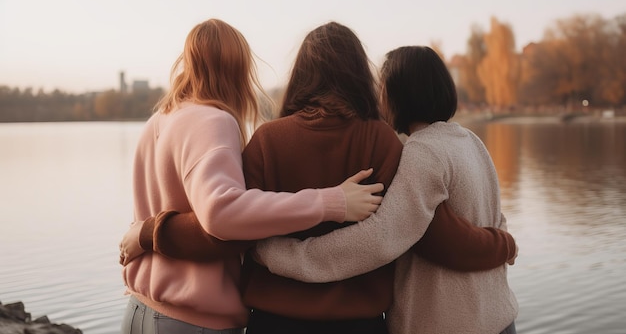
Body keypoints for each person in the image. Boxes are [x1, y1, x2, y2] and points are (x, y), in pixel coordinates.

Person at [121, 24, 517, 334]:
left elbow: (234, 233)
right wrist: (501, 242)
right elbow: (422, 231)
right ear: (359, 73)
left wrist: (148, 233)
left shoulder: (266, 140)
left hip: (275, 321)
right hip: (359, 324)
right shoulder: (383, 140)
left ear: (302, 74)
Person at [120, 18, 387, 334]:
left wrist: (145, 233)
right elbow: (223, 217)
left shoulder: (158, 122)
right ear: (238, 68)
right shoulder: (213, 121)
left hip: (139, 310)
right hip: (191, 320)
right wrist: (330, 201)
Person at [254, 45, 519, 334]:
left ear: (400, 93)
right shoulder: (471, 142)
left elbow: (382, 238)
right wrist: (506, 244)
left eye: (384, 87)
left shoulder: (423, 152)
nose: (378, 96)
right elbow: (496, 219)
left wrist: (282, 255)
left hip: (450, 322)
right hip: (499, 316)